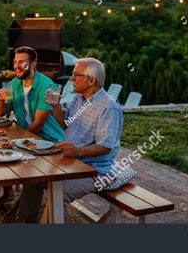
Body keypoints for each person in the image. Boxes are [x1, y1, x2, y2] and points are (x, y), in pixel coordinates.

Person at [17, 57, 123, 222]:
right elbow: (64, 122)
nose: (71, 79)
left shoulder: (109, 107)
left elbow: (106, 146)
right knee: (33, 178)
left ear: (91, 80)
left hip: (95, 171)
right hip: (71, 162)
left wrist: (77, 150)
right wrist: (55, 105)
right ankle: (24, 221)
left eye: (76, 75)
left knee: (57, 194)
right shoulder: (79, 98)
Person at [0, 46, 65, 217]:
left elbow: (39, 124)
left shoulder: (46, 85)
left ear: (33, 64)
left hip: (49, 141)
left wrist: (16, 140)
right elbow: (1, 113)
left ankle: (23, 215)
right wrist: (0, 99)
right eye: (15, 62)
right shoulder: (14, 83)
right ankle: (8, 193)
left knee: (11, 154)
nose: (17, 66)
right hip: (28, 137)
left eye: (22, 62)